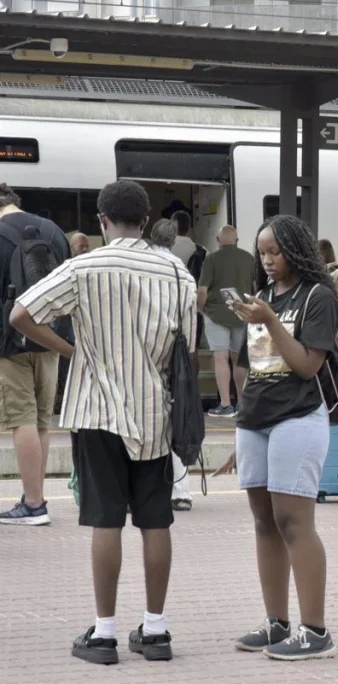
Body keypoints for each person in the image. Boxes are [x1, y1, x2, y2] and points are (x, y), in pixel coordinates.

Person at [10, 180, 195, 663]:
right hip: (155, 413)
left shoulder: (84, 265)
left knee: (105, 521)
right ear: (146, 216)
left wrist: (73, 350)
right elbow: (186, 349)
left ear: (101, 220)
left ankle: (105, 633)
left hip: (96, 410)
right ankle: (156, 631)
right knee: (156, 521)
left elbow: (21, 313)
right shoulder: (177, 271)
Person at [231, 214, 338, 659]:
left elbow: (307, 365)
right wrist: (243, 417)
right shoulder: (259, 297)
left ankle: (315, 631)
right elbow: (250, 363)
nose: (268, 260)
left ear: (295, 250)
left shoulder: (318, 296)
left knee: (294, 522)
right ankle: (276, 624)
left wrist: (272, 320)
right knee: (263, 523)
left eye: (275, 252)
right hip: (255, 418)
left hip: (298, 416)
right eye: (262, 253)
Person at [0, 181, 72, 526]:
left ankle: (33, 503)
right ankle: (36, 496)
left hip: (8, 341)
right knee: (42, 419)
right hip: (49, 336)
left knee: (21, 418)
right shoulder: (53, 231)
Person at [149, 218, 196, 512]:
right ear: (175, 238)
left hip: (142, 354)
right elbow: (189, 327)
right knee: (177, 421)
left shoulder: (141, 266)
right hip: (174, 357)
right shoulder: (183, 274)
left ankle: (147, 487)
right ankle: (181, 490)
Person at [197, 224, 255, 418]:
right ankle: (241, 403)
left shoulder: (211, 259)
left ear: (218, 240)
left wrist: (200, 308)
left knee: (220, 358)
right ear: (236, 240)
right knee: (239, 359)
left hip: (216, 314)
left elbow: (202, 290)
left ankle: (225, 405)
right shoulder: (249, 258)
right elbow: (255, 287)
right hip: (242, 313)